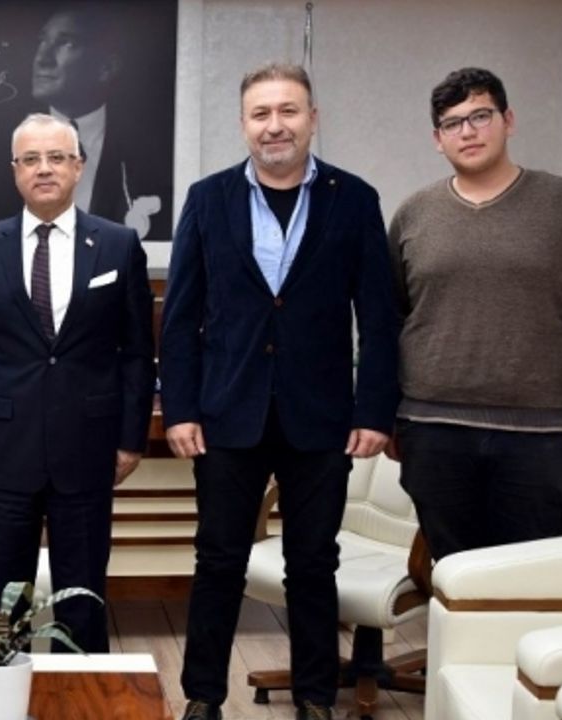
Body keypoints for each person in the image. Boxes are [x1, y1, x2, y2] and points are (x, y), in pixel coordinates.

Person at [159, 63, 399, 720]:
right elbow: (180, 318)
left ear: (312, 119)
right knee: (218, 560)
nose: (275, 126)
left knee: (313, 563)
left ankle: (315, 699)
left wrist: (374, 409)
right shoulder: (208, 199)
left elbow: (378, 318)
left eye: (288, 111)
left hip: (321, 417)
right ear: (243, 124)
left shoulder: (355, 199)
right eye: (261, 113)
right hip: (226, 413)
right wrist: (180, 408)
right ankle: (203, 697)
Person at [388, 67, 562, 561]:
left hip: (539, 434)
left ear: (508, 120)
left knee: (531, 574)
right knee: (453, 572)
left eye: (480, 116)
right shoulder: (413, 213)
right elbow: (390, 318)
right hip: (432, 429)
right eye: (452, 123)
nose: (468, 132)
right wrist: (385, 411)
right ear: (437, 139)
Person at [0, 112, 156, 654]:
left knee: (82, 597)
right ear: (15, 169)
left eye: (57, 157)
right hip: (3, 447)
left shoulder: (118, 244)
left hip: (88, 446)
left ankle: (79, 692)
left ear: (79, 166)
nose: (45, 169)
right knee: (4, 599)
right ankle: (1, 692)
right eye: (31, 159)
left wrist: (131, 440)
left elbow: (137, 353)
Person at [31, 7, 172, 240]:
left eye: (67, 43)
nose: (42, 58)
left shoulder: (155, 157)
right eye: (42, 41)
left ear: (106, 68)